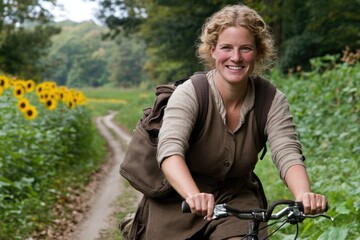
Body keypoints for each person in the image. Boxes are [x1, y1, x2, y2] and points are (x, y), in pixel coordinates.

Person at [131, 4, 327, 239]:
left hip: (236, 198)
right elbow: (170, 150)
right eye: (226, 48)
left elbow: (287, 152)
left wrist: (304, 194)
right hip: (178, 200)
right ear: (213, 51)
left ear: (258, 52)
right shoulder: (192, 93)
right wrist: (194, 195)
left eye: (245, 48)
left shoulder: (271, 100)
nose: (236, 57)